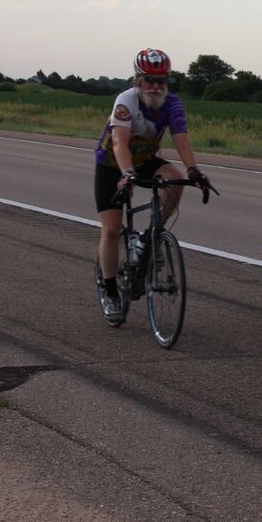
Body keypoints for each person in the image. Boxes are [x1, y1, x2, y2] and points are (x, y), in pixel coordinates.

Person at [94, 48, 210, 322]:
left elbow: (181, 137)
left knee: (175, 178)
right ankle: (111, 292)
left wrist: (193, 169)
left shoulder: (172, 103)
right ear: (138, 81)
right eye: (150, 80)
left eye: (162, 80)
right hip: (113, 164)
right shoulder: (125, 102)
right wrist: (127, 173)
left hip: (145, 159)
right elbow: (120, 143)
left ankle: (150, 236)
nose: (156, 87)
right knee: (111, 229)